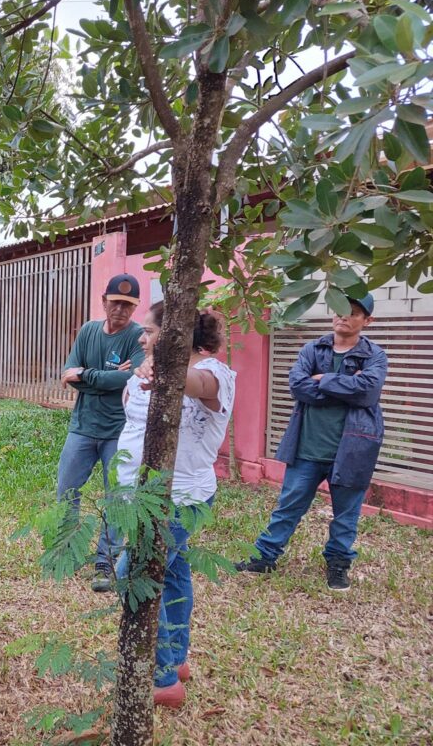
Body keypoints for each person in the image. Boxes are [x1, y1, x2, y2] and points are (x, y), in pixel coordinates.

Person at [113, 301, 235, 708]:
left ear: (179, 333)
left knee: (136, 572)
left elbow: (196, 384)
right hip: (140, 496)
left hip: (181, 499)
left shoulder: (214, 373)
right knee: (175, 571)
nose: (142, 338)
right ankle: (177, 660)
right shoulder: (144, 368)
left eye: (149, 331)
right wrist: (146, 369)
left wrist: (163, 368)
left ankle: (163, 678)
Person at [236, 294, 386, 591]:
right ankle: (264, 557)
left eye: (354, 313)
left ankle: (338, 565)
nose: (344, 316)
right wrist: (344, 386)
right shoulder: (312, 348)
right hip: (307, 447)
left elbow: (368, 392)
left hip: (352, 450)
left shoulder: (375, 356)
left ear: (367, 321)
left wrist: (323, 380)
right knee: (288, 506)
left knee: (346, 515)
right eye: (341, 310)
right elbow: (298, 386)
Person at [56, 273, 145, 591]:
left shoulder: (138, 337)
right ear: (103, 300)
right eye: (116, 302)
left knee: (116, 498)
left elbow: (129, 380)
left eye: (128, 305)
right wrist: (103, 376)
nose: (121, 309)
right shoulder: (89, 331)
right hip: (82, 427)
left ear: (134, 308)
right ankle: (65, 549)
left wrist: (87, 375)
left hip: (119, 431)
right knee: (67, 490)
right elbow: (68, 373)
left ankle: (105, 563)